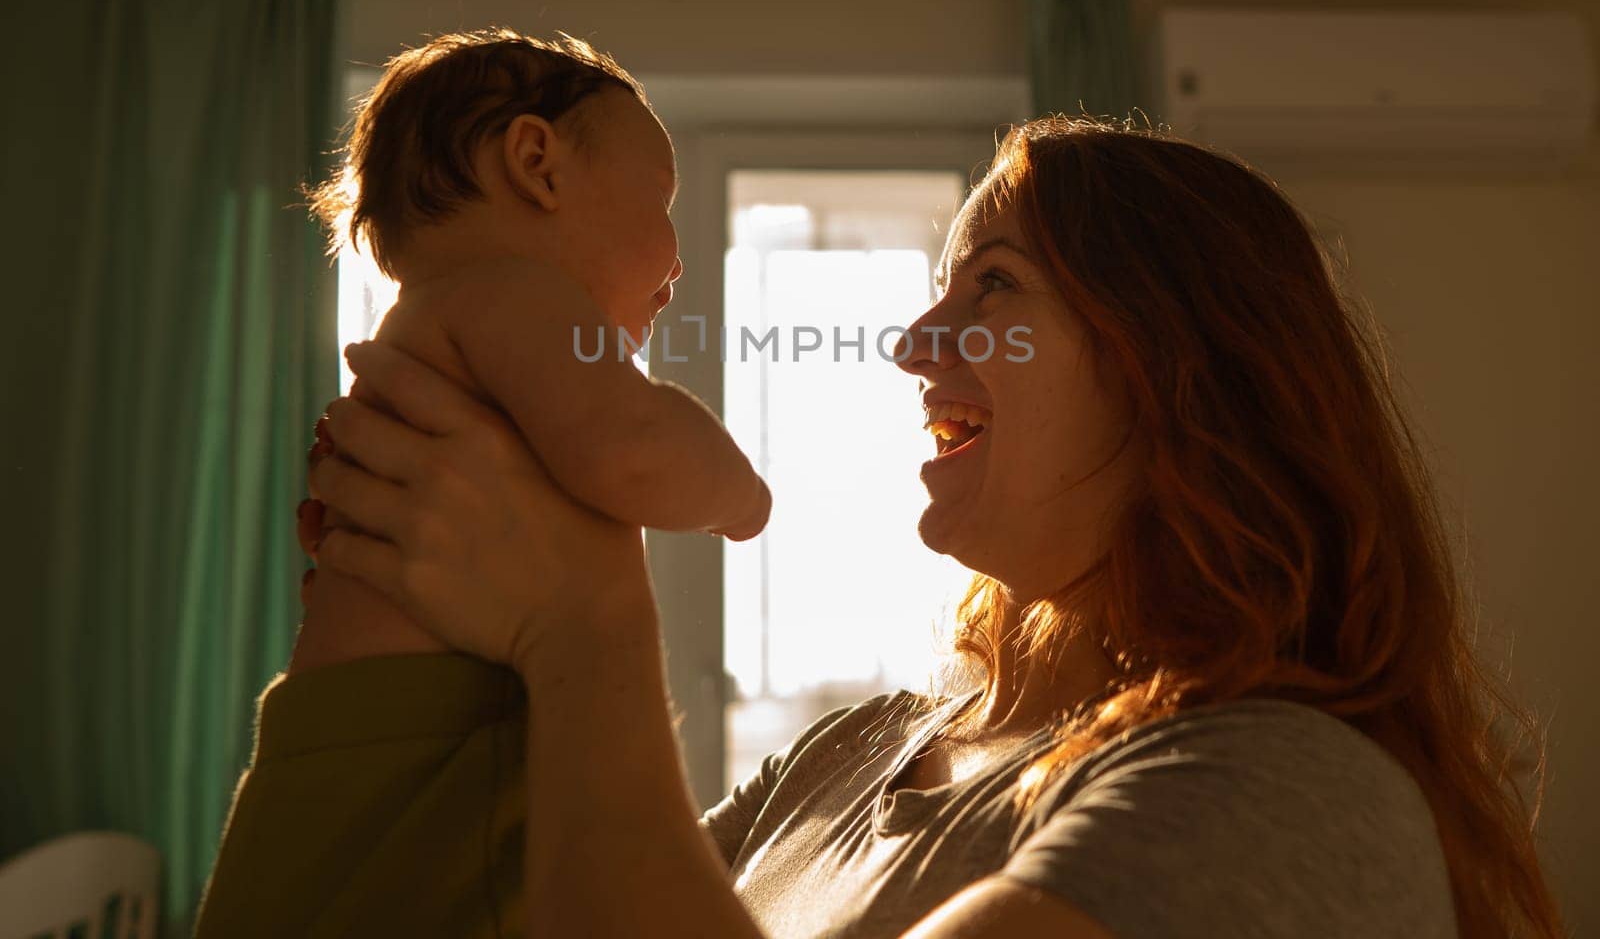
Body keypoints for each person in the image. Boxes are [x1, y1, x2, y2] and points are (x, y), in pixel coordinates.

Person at [194, 116, 1564, 938]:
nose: (915, 343)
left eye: (996, 285)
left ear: (1175, 371)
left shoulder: (1281, 791)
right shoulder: (857, 754)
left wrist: (586, 624)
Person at [292, 27, 770, 673]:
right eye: (660, 199)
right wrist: (741, 497)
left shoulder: (431, 328)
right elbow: (635, 449)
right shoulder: (508, 295)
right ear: (537, 166)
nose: (679, 262)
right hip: (411, 725)